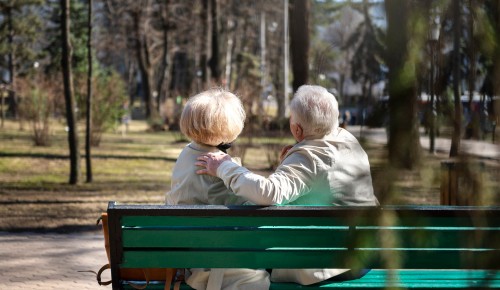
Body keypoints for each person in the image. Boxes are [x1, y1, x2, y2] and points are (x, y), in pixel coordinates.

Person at [195, 85, 379, 285]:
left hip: (329, 263)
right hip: (363, 254)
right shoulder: (348, 140)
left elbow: (268, 193)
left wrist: (224, 167)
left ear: (296, 129)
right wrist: (292, 159)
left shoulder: (308, 158)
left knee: (243, 252)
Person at [166, 88, 270, 290]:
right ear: (229, 126)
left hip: (190, 255)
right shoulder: (215, 167)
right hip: (216, 265)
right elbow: (252, 207)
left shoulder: (186, 154)